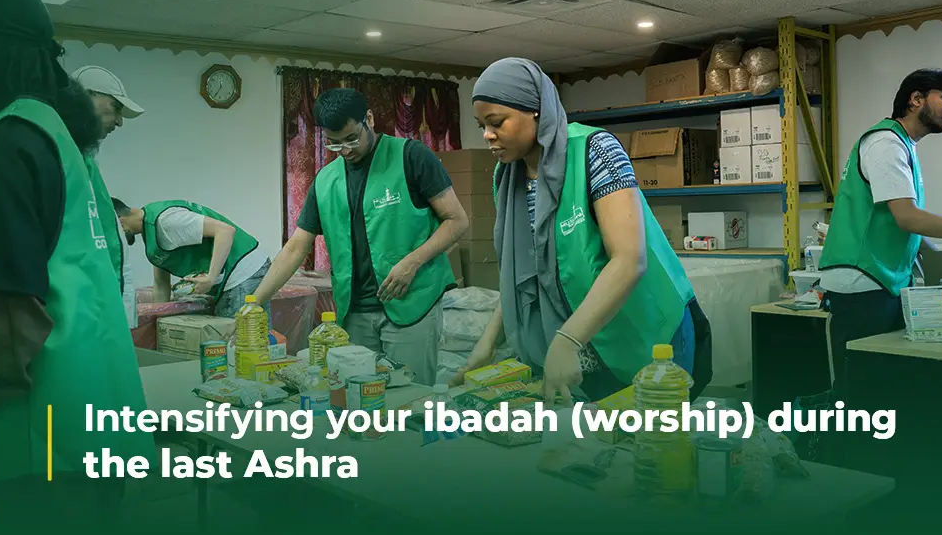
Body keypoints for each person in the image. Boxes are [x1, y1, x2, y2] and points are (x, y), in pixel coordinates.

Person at [0, 0, 153, 526]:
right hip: (89, 419)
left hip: (34, 439)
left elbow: (0, 323)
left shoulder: (3, 144)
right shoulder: (57, 137)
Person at [453, 57, 713, 404]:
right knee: (594, 437)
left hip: (643, 332)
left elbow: (629, 260)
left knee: (654, 434)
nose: (487, 134)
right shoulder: (507, 178)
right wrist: (487, 345)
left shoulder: (595, 151)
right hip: (581, 346)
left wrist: (567, 340)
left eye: (496, 122)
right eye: (482, 125)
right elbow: (525, 274)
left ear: (535, 110)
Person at [252, 88, 468, 386]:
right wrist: (254, 303)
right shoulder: (326, 180)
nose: (345, 150)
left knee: (409, 397)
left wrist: (412, 263)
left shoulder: (411, 156)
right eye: (334, 142)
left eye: (352, 138)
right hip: (354, 312)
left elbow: (457, 220)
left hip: (413, 303)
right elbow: (295, 248)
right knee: (359, 396)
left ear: (369, 119)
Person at [818, 68, 942, 401]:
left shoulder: (903, 145)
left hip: (881, 281)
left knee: (882, 386)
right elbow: (908, 218)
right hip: (862, 283)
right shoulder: (885, 143)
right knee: (860, 391)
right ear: (916, 99)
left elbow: (903, 224)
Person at [71, 65, 145, 329]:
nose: (119, 121)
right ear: (86, 96)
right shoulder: (63, 154)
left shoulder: (86, 160)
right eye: (115, 107)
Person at [113, 199, 272, 318]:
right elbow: (161, 284)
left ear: (118, 220)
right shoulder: (150, 235)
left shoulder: (166, 220)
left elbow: (225, 231)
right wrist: (158, 319)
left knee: (242, 340)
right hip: (227, 278)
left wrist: (211, 277)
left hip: (243, 271)